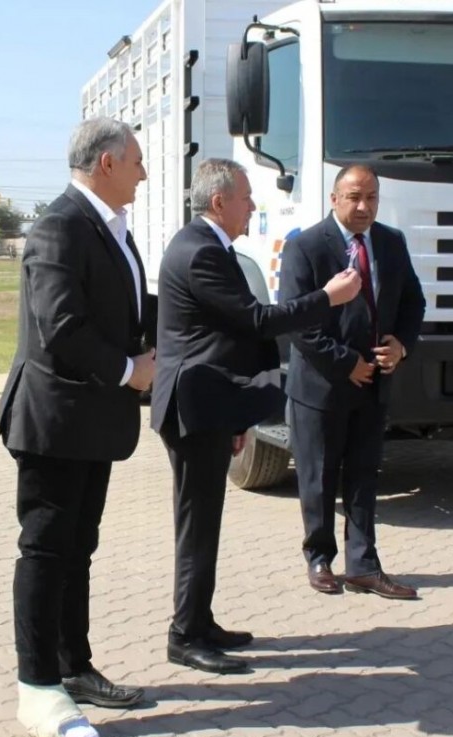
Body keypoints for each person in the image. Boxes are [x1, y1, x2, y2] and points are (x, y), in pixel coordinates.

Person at [151, 158, 361, 674]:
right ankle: (184, 634)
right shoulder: (199, 251)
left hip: (212, 407)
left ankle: (200, 621)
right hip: (193, 409)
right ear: (219, 202)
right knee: (196, 525)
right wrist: (326, 298)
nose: (253, 206)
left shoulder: (212, 247)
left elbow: (231, 334)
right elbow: (255, 321)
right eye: (246, 197)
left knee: (206, 523)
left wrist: (239, 417)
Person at [0, 118, 156, 737]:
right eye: (139, 161)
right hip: (54, 421)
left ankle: (74, 666)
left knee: (77, 549)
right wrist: (128, 370)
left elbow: (123, 307)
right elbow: (60, 326)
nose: (145, 173)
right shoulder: (60, 224)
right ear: (108, 163)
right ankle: (39, 687)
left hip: (92, 421)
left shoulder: (112, 228)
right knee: (45, 550)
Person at [279, 165, 426, 599]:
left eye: (372, 198)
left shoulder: (391, 242)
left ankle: (363, 564)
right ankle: (320, 558)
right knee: (319, 477)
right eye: (355, 197)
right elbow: (298, 323)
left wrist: (402, 344)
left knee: (364, 476)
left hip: (374, 385)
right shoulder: (305, 247)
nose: (364, 207)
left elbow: (413, 300)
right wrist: (346, 363)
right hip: (322, 387)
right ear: (334, 198)